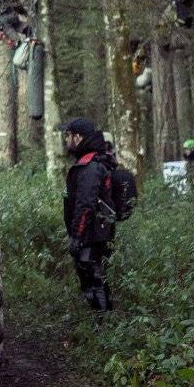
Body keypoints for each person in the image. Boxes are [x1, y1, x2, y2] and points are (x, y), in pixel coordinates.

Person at [61, 117, 117, 312]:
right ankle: (100, 322)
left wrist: (77, 237)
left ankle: (103, 326)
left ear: (78, 137)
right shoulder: (88, 164)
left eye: (68, 135)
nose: (65, 140)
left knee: (94, 278)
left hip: (92, 236)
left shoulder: (90, 167)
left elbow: (86, 205)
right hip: (92, 234)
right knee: (91, 278)